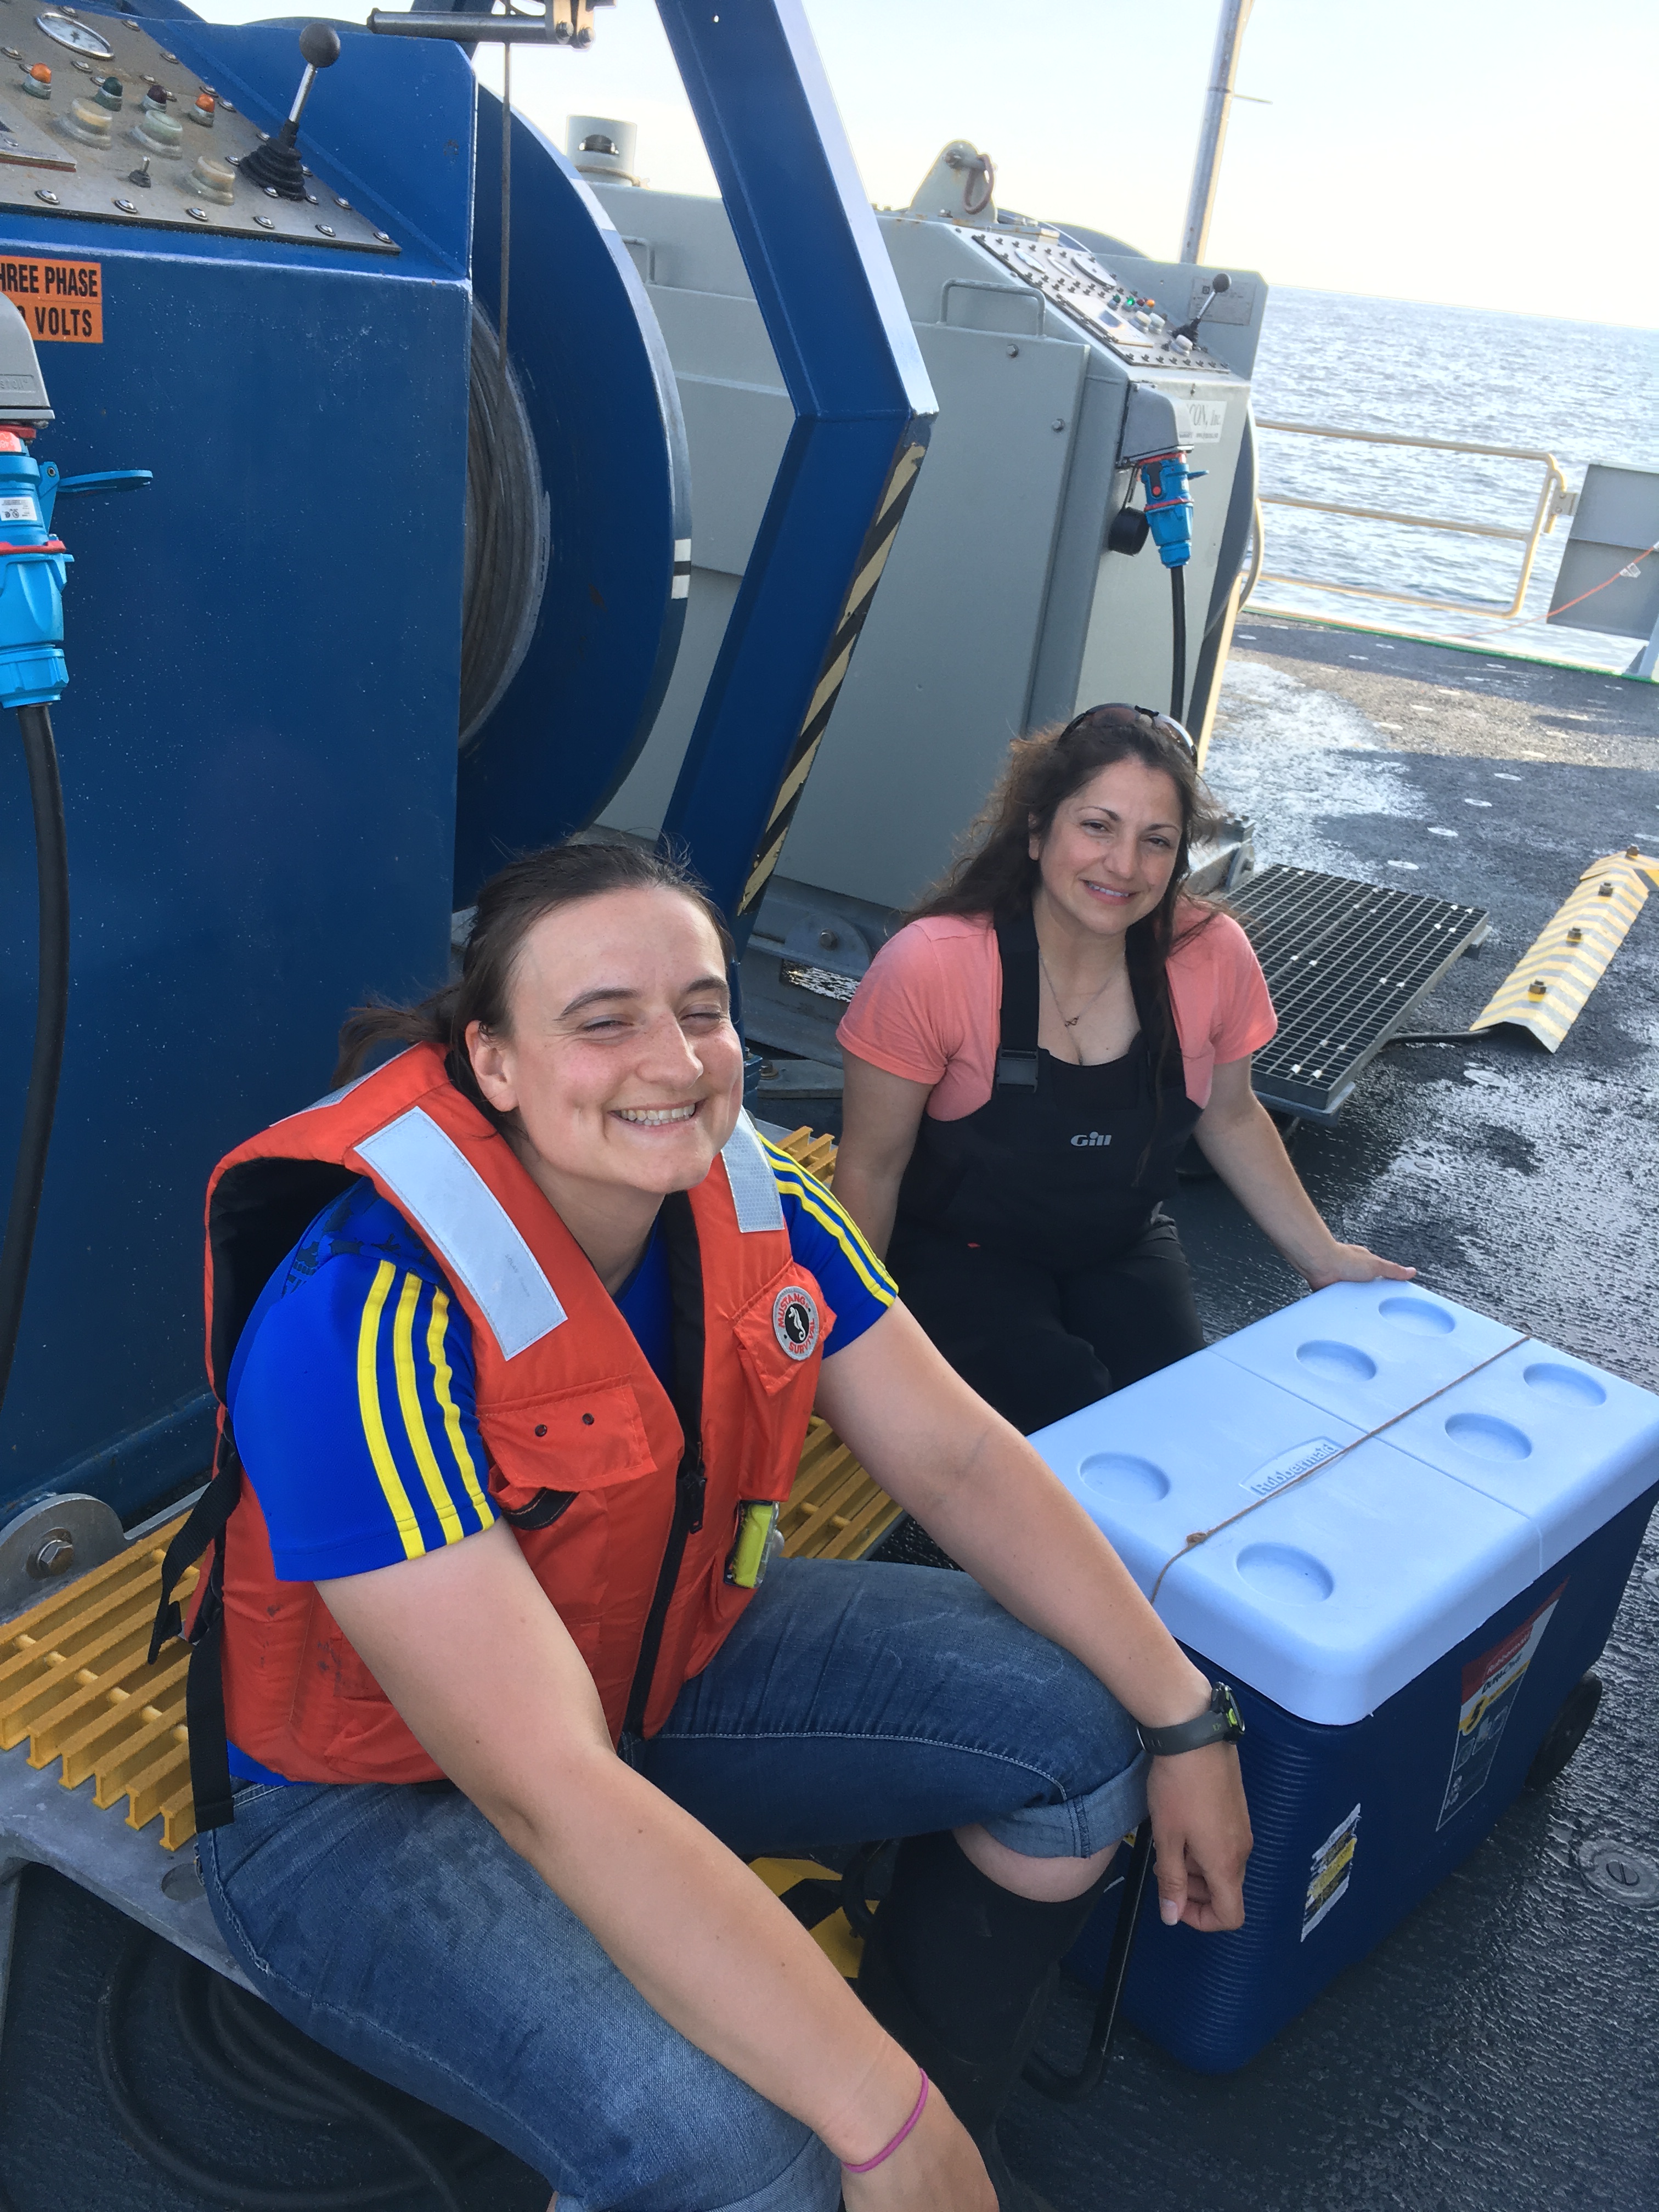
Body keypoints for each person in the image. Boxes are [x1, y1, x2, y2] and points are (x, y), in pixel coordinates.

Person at [158, 838, 1252, 2212]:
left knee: (1080, 1733)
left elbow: (964, 1460)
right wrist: (868, 2112)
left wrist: (1187, 1720)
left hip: (651, 1664)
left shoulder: (756, 1194)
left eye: (702, 1007)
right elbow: (544, 1780)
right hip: (363, 1810)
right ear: (493, 1061)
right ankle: (881, 2151)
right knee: (751, 2143)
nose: (676, 1062)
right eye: (602, 1021)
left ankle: (939, 2149)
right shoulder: (367, 1315)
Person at [833, 704, 1414, 1441]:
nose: (1124, 866)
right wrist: (849, 1344)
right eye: (1097, 826)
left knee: (1176, 1425)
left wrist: (1323, 1258)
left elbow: (1232, 1114)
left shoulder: (1212, 954)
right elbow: (872, 1168)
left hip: (1121, 1242)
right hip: (956, 1252)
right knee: (1065, 1417)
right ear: (1038, 831)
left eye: (1156, 841)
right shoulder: (932, 965)